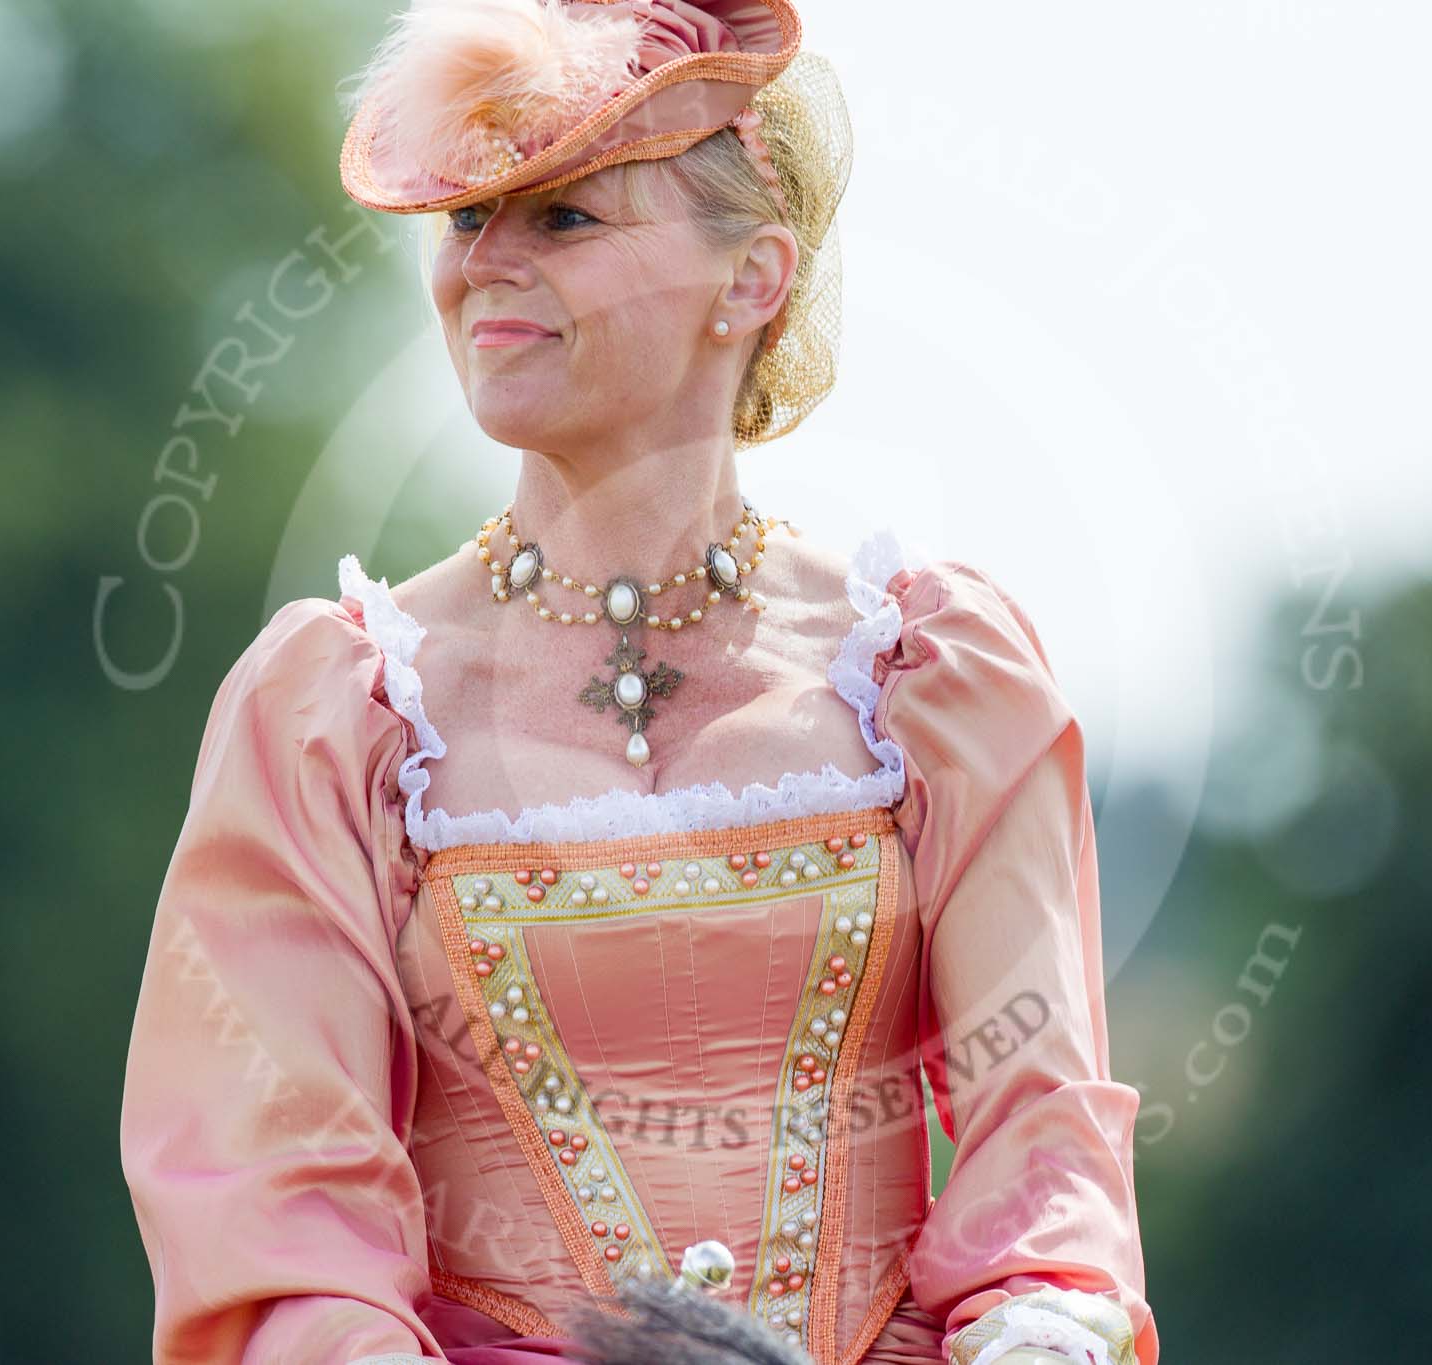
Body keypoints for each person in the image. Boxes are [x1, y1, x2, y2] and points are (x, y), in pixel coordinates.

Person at [118, 3, 1159, 1363]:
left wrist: (1037, 1334)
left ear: (754, 279)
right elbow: (281, 1221)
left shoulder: (936, 676)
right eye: (466, 221)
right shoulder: (338, 709)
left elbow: (1045, 1151)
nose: (482, 264)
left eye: (562, 219)